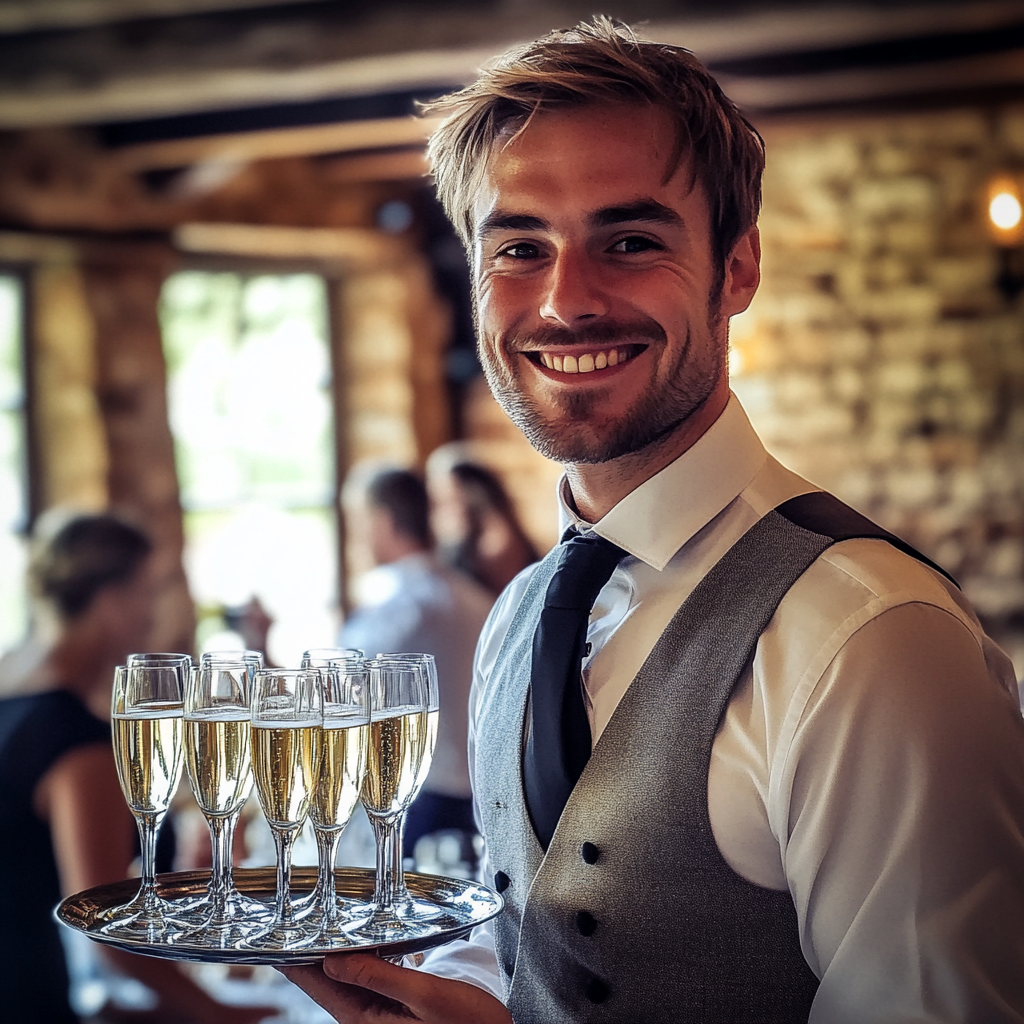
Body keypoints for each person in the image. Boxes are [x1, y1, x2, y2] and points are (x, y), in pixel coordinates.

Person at [283, 17, 1024, 1023]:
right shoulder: (517, 616)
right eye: (518, 247)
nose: (564, 301)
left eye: (629, 241)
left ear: (736, 269)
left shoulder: (870, 635)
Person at [0, 512, 273, 1024]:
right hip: (25, 990)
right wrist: (219, 1015)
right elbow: (100, 925)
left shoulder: (11, 684)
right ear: (110, 599)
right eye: (148, 593)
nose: (153, 615)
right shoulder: (73, 741)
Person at [339, 465, 493, 859]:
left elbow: (332, 687)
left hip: (416, 800)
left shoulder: (399, 605)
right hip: (481, 798)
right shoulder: (477, 599)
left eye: (357, 522)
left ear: (382, 521)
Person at [426, 446, 540, 597]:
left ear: (475, 496)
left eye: (448, 501)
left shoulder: (497, 543)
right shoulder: (461, 544)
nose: (439, 514)